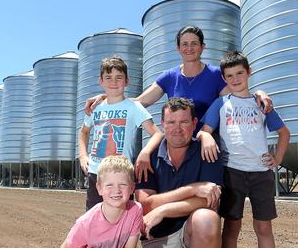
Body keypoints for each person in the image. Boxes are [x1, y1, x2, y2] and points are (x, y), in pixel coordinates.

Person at [83, 25, 272, 182]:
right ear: (178, 48)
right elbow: (140, 102)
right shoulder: (169, 76)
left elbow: (237, 96)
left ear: (203, 47)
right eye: (184, 44)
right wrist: (106, 97)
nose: (189, 48)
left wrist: (259, 93)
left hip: (206, 143)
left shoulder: (215, 75)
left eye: (194, 44)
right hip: (177, 140)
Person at [198, 51, 290, 248]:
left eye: (240, 73)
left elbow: (284, 133)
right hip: (232, 172)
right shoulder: (221, 103)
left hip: (260, 173)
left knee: (263, 227)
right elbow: (205, 129)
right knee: (232, 227)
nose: (235, 79)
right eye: (229, 76)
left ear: (248, 73)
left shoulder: (262, 105)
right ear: (225, 79)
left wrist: (278, 158)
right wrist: (205, 137)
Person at [134, 97, 223, 248]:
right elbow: (146, 204)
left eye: (184, 121)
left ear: (194, 123)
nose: (177, 128)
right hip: (160, 234)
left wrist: (164, 208)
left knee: (207, 217)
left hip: (191, 227)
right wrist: (193, 189)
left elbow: (209, 198)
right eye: (171, 121)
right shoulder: (147, 158)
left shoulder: (208, 150)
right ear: (162, 124)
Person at [79, 56, 161, 210]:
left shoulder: (134, 107)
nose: (114, 82)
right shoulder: (95, 108)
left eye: (119, 77)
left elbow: (157, 134)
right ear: (101, 81)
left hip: (122, 174)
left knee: (120, 219)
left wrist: (145, 152)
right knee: (95, 217)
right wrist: (83, 155)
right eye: (108, 77)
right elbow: (84, 132)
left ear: (127, 81)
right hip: (97, 173)